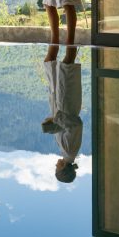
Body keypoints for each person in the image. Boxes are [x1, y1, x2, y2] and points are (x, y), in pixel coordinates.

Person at [41, 45, 82, 184]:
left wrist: (51, 127)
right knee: (67, 64)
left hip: (60, 102)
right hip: (67, 102)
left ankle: (57, 32)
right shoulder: (70, 152)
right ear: (63, 169)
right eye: (57, 169)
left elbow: (64, 129)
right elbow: (76, 125)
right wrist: (56, 119)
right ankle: (72, 29)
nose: (55, 166)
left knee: (50, 61)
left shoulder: (66, 153)